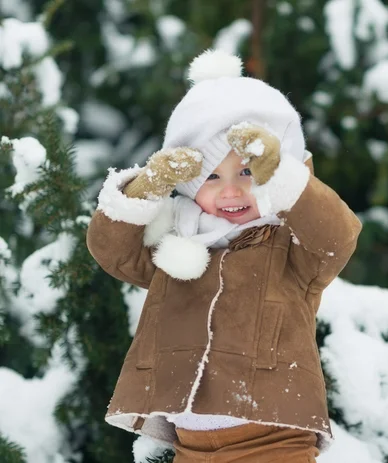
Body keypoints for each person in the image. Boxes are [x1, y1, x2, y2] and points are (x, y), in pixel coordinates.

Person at [86, 49, 362, 463]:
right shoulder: (177, 245)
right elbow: (112, 252)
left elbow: (336, 237)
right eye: (211, 176)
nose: (230, 191)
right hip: (191, 447)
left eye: (247, 172)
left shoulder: (290, 247)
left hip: (274, 440)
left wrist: (287, 179)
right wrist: (146, 189)